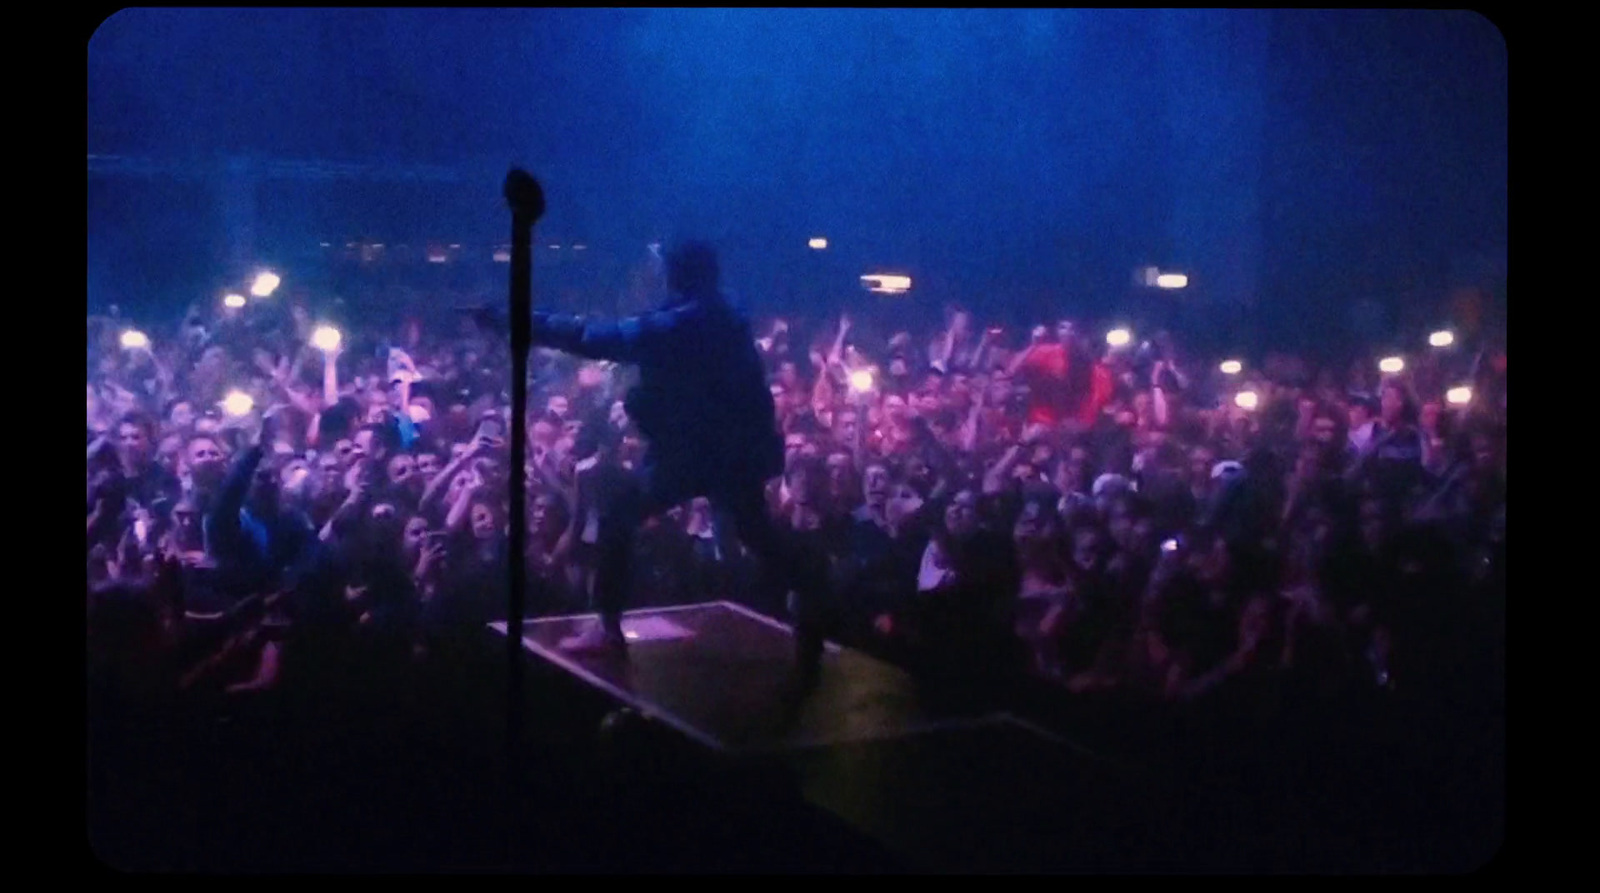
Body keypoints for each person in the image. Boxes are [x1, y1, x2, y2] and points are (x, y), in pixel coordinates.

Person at [523, 242, 829, 690]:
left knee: (621, 512)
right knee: (754, 531)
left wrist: (525, 322)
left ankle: (608, 631)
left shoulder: (686, 321)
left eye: (662, 269)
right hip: (725, 448)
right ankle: (811, 591)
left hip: (702, 452)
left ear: (678, 274)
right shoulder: (722, 309)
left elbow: (593, 337)